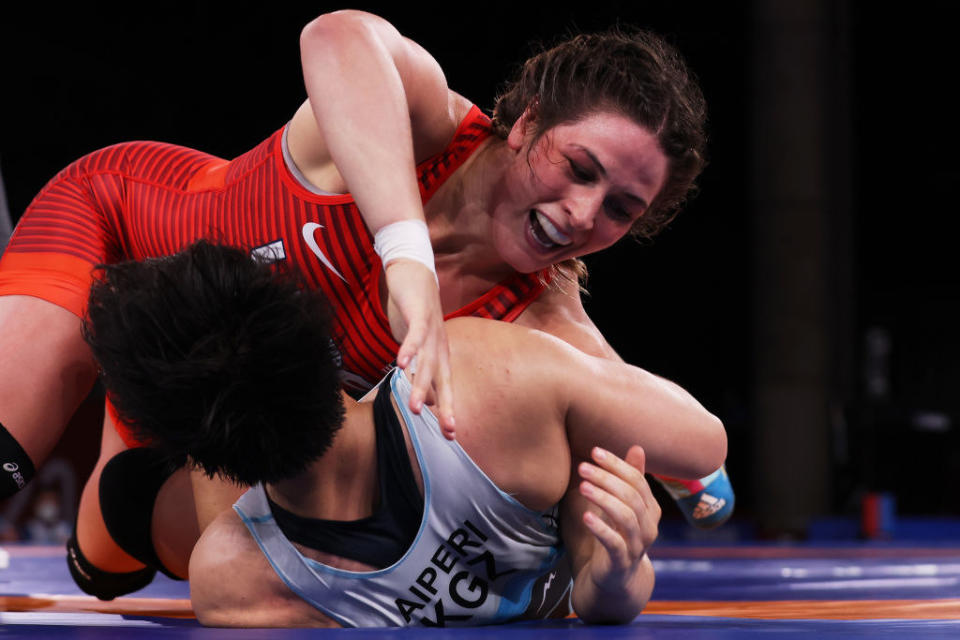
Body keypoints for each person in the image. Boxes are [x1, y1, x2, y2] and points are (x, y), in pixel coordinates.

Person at [0, 9, 731, 593]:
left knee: (106, 559)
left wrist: (633, 548)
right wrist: (404, 253)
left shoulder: (542, 323)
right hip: (118, 225)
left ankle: (123, 455)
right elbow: (335, 33)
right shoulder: (424, 126)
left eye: (621, 208)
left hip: (202, 398)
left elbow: (660, 442)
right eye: (579, 167)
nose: (581, 213)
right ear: (528, 122)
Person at [83, 241, 725, 627]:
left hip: (242, 495)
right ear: (315, 340)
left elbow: (608, 590)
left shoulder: (231, 581)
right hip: (502, 431)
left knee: (125, 504)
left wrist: (613, 577)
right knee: (131, 498)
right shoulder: (476, 375)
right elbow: (704, 445)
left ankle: (162, 411)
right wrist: (561, 319)